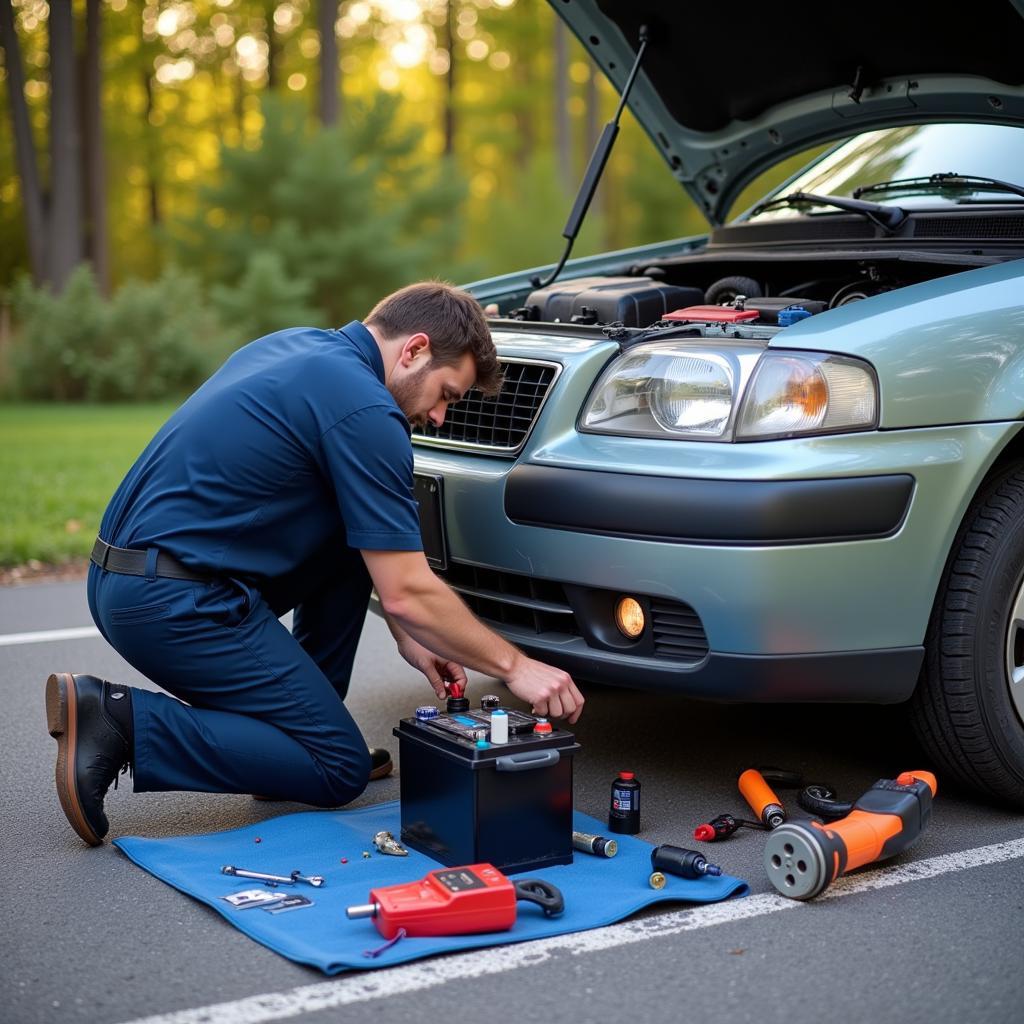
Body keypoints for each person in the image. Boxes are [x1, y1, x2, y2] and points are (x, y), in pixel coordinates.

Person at [46, 281, 584, 847]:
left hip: (124, 579)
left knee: (350, 539)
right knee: (338, 769)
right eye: (447, 393)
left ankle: (291, 740)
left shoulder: (298, 347)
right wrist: (516, 666)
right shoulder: (368, 413)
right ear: (415, 350)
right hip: (173, 603)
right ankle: (119, 720)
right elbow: (408, 590)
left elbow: (367, 548)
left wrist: (411, 637)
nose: (441, 417)